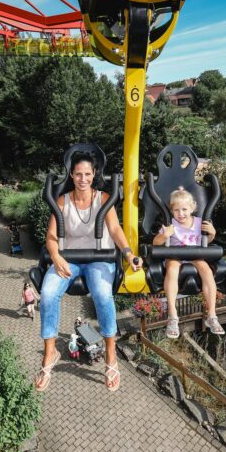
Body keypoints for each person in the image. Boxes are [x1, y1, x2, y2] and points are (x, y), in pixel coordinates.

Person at [35, 151, 141, 392]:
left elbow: (114, 229)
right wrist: (55, 256)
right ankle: (50, 355)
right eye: (78, 174)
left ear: (94, 175)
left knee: (103, 295)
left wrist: (127, 253)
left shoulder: (104, 198)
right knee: (48, 293)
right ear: (71, 175)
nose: (83, 178)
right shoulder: (62, 201)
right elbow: (51, 237)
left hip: (99, 258)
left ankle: (111, 357)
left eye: (87, 174)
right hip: (69, 259)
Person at [152, 187, 224, 339]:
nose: (181, 213)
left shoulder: (199, 223)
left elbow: (207, 241)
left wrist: (212, 233)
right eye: (176, 210)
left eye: (184, 209)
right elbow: (156, 242)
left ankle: (212, 315)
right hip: (175, 255)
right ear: (172, 211)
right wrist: (165, 236)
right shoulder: (170, 224)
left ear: (192, 208)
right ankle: (172, 315)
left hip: (195, 254)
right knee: (171, 269)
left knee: (207, 271)